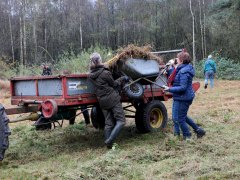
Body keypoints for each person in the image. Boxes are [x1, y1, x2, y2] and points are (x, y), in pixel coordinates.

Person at [163, 52, 206, 141]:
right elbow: (176, 77)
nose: (176, 60)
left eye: (177, 59)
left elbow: (182, 87)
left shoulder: (184, 71)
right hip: (180, 96)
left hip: (183, 97)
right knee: (181, 117)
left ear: (182, 61)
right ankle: (197, 130)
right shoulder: (182, 68)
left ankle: (187, 136)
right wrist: (170, 69)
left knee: (179, 118)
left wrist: (169, 89)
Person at [89, 52, 127, 148]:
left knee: (108, 122)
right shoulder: (105, 73)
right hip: (112, 99)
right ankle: (109, 141)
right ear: (99, 60)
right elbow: (114, 84)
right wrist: (122, 78)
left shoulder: (91, 75)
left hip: (102, 101)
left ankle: (108, 146)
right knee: (121, 121)